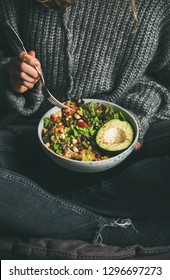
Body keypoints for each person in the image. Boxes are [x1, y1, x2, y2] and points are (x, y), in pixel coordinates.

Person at [0, 0, 170, 253]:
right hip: (32, 133)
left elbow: (163, 77)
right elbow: (5, 55)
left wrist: (136, 116)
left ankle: (48, 207)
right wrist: (12, 74)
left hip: (133, 131)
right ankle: (100, 229)